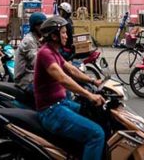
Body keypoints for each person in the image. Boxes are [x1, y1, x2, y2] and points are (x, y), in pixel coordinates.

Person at [34, 16, 106, 160]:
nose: (67, 36)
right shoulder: (45, 53)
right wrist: (89, 95)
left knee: (91, 114)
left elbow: (71, 70)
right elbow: (63, 78)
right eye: (63, 33)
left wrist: (93, 81)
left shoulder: (54, 52)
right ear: (54, 36)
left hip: (62, 103)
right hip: (51, 111)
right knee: (96, 134)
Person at [14, 11, 47, 91]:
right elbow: (37, 63)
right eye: (41, 25)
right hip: (26, 80)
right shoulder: (29, 41)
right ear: (35, 27)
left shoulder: (39, 39)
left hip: (33, 77)